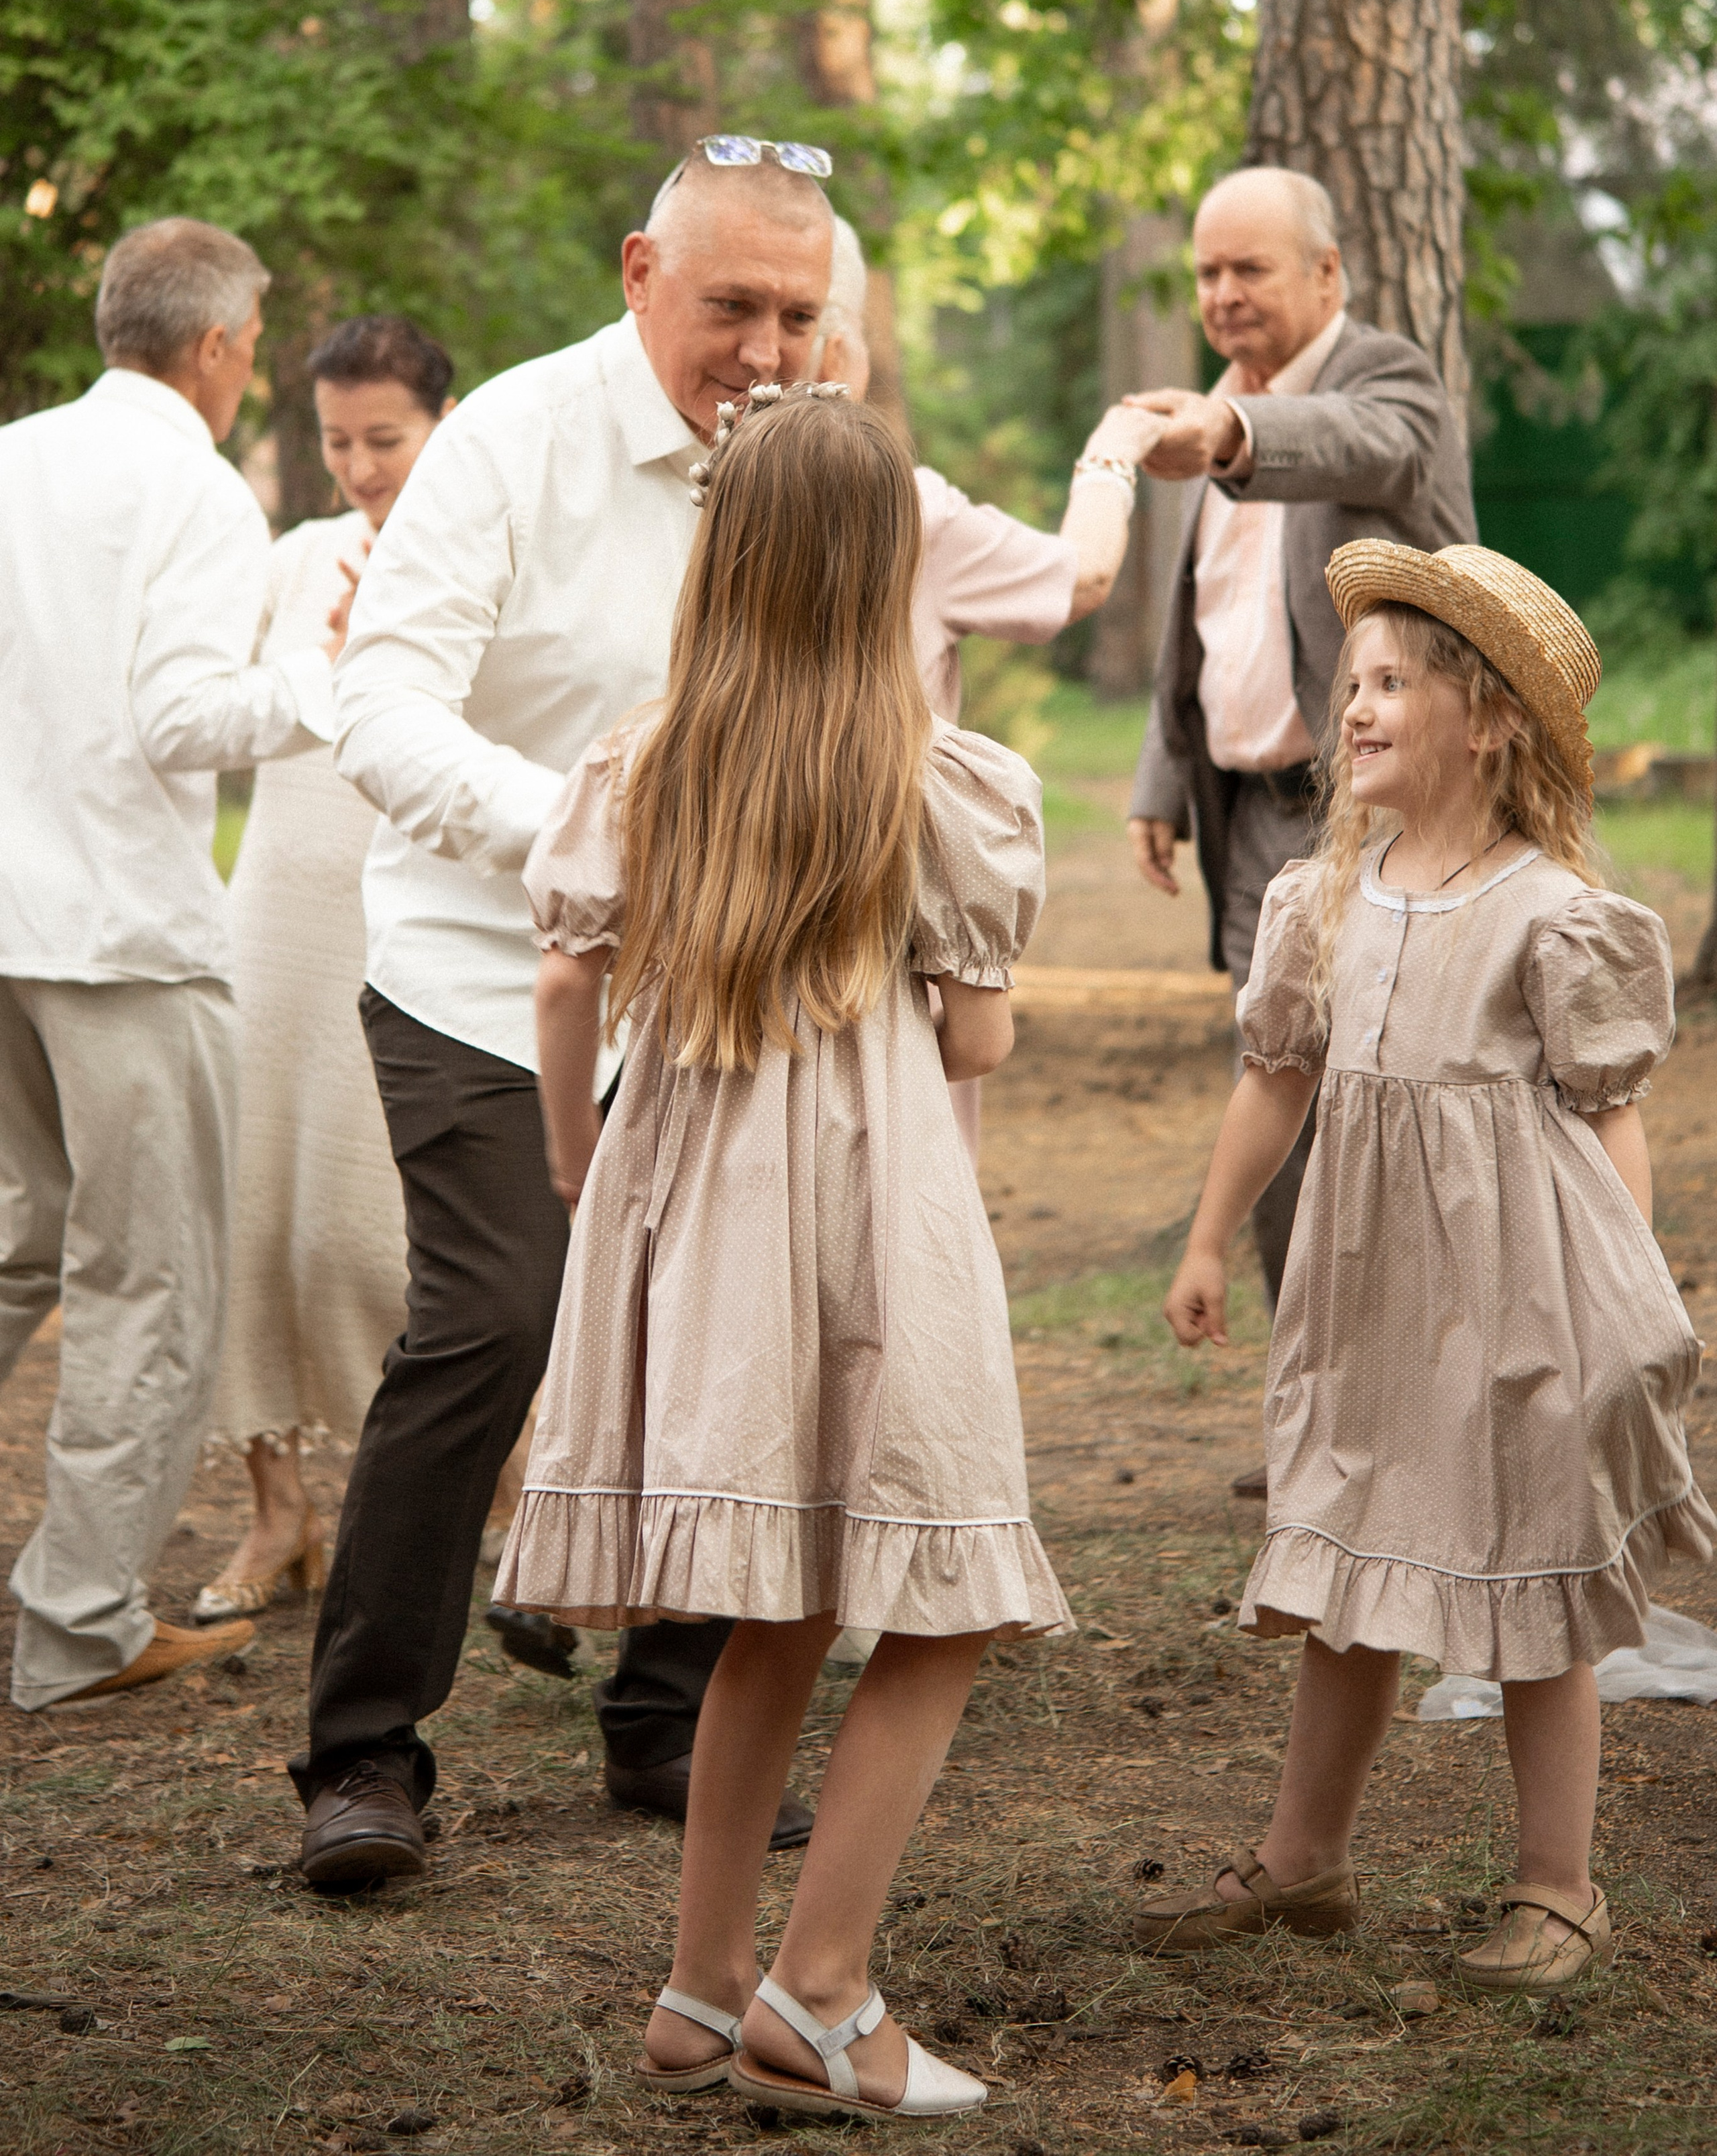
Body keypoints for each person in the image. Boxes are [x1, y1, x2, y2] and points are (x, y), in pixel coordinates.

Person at [498, 383, 1070, 2120]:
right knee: (941, 1593)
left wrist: (585, 1170)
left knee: (786, 1604)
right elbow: (973, 1050)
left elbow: (561, 980)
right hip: (872, 1207)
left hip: (691, 1197)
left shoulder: (642, 761)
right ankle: (821, 1992)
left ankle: (699, 1985)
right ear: (885, 564)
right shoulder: (939, 783)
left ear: (720, 556)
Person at [294, 140, 840, 1890]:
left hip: (717, 991)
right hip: (475, 969)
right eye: (732, 307)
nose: (768, 349)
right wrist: (584, 842)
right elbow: (376, 703)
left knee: (723, 1336)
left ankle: (669, 1716)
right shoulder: (510, 446)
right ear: (636, 273)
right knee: (494, 1322)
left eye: (800, 315)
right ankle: (364, 1752)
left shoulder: (805, 455)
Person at [1136, 542, 1714, 1994]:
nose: (1356, 710)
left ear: (1491, 719)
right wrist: (1210, 1236)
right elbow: (1274, 1081)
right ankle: (1303, 1855)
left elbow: (1604, 1122)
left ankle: (1556, 1886)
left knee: (1528, 1559)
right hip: (1365, 1288)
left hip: (1515, 1286)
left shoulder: (1548, 910)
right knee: (1346, 1549)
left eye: (1393, 683)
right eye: (1350, 687)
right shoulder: (1318, 899)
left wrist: (1622, 1292)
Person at [0, 217, 339, 1709]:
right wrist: (324, 672)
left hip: (5, 927)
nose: (250, 368)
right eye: (253, 344)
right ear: (214, 347)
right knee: (150, 1283)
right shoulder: (195, 492)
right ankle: (78, 1626)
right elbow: (184, 720)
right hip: (123, 934)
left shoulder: (11, 461)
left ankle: (75, 1606)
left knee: (19, 1246)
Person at [1125, 167, 1476, 1493]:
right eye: (1206, 274)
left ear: (1323, 278)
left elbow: (1367, 447)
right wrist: (1164, 777)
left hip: (1387, 829)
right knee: (1275, 1123)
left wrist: (1224, 436)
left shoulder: (1384, 380)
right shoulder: (1213, 421)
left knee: (1405, 1116)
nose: (1220, 296)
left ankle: (1435, 1417)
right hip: (1251, 828)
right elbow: (1209, 619)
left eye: (1248, 271)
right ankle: (1319, 1424)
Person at [194, 318, 456, 1624]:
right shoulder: (293, 560)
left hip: (401, 921)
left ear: (441, 429)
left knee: (371, 1225)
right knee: (252, 1219)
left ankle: (454, 1495)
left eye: (385, 440)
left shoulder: (476, 551)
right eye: (336, 440)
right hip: (273, 917)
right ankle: (275, 1511)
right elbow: (216, 697)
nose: (357, 466)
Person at [816, 217, 1153, 1161]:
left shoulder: (717, 494)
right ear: (848, 358)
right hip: (884, 956)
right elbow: (1083, 576)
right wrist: (1115, 449)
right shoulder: (904, 508)